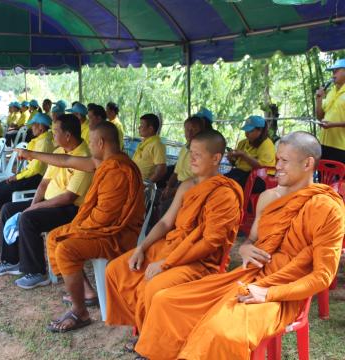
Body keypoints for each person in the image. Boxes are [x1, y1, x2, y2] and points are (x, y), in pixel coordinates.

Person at [133, 131, 345, 360]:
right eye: (276, 160)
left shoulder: (327, 208)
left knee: (221, 330)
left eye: (284, 160)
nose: (277, 166)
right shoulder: (268, 197)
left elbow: (323, 276)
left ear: (308, 163)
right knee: (168, 301)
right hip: (246, 278)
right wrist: (245, 248)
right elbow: (252, 239)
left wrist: (268, 293)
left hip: (283, 292)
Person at [105, 130, 243, 343]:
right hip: (169, 247)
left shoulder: (224, 193)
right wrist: (142, 248)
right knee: (116, 268)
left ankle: (153, 342)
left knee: (155, 286)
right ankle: (144, 325)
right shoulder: (188, 185)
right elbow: (165, 222)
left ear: (216, 158)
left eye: (198, 154)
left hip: (198, 261)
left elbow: (209, 243)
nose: (191, 159)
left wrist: (166, 264)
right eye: (190, 153)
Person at [18, 121, 145, 333]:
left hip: (117, 235)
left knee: (66, 246)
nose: (89, 146)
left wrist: (76, 227)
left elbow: (103, 219)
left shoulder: (117, 170)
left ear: (101, 143)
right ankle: (86, 292)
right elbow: (66, 159)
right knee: (57, 237)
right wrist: (32, 154)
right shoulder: (104, 162)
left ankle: (80, 312)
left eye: (91, 142)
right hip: (103, 228)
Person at [0, 114, 92, 291]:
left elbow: (69, 197)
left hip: (70, 209)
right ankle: (11, 260)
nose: (53, 135)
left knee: (29, 218)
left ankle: (37, 272)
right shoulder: (59, 153)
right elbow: (44, 183)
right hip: (50, 202)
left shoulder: (84, 157)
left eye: (56, 131)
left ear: (68, 135)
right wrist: (33, 204)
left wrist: (34, 208)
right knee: (8, 209)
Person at [0, 113, 54, 209]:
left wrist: (17, 177)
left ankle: (11, 211)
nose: (32, 128)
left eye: (33, 125)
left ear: (41, 127)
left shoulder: (44, 143)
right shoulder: (41, 139)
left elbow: (35, 170)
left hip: (36, 179)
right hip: (31, 175)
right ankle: (10, 210)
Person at [160, 115, 213, 212]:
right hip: (178, 185)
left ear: (202, 131)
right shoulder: (185, 147)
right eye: (187, 129)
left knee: (166, 207)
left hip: (191, 190)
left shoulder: (203, 152)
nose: (189, 132)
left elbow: (199, 182)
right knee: (157, 197)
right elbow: (176, 172)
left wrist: (175, 191)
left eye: (194, 129)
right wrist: (168, 187)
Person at [225, 115, 276, 188]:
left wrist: (244, 155)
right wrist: (231, 159)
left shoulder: (267, 144)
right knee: (221, 180)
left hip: (261, 177)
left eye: (250, 131)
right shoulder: (243, 143)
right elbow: (236, 164)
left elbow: (262, 167)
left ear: (260, 130)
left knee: (230, 184)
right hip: (241, 173)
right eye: (246, 130)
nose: (247, 133)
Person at [316, 58, 345, 163]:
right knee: (323, 177)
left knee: (340, 178)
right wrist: (318, 100)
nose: (333, 74)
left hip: (341, 147)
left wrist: (333, 124)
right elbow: (320, 117)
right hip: (324, 144)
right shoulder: (331, 92)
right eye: (332, 71)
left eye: (336, 71)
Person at [132, 113, 167, 183]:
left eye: (142, 125)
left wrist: (147, 184)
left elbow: (161, 169)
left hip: (144, 185)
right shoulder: (144, 143)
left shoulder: (157, 144)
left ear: (150, 129)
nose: (139, 128)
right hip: (135, 181)